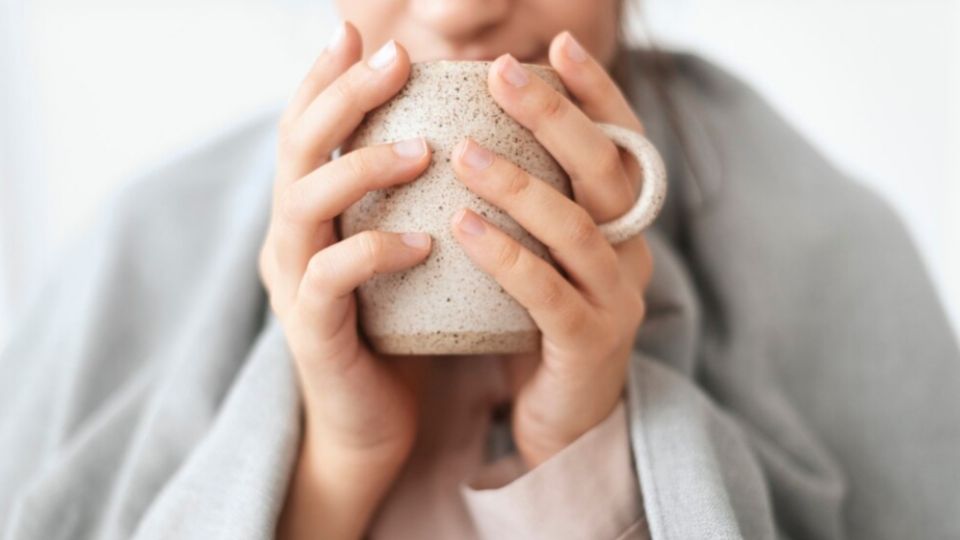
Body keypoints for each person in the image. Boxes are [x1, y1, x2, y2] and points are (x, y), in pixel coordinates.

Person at [1, 1, 958, 539]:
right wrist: (334, 462)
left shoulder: (826, 250)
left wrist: (583, 451)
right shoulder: (135, 255)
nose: (464, 12)